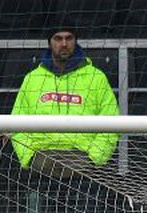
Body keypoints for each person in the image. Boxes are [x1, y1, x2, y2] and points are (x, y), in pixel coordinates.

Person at [7, 25, 120, 169]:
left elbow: (111, 123)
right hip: (40, 167)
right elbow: (16, 124)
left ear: (76, 41)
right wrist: (30, 158)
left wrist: (93, 160)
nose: (64, 44)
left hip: (85, 169)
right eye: (58, 38)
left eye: (69, 38)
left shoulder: (96, 78)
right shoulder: (32, 79)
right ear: (50, 43)